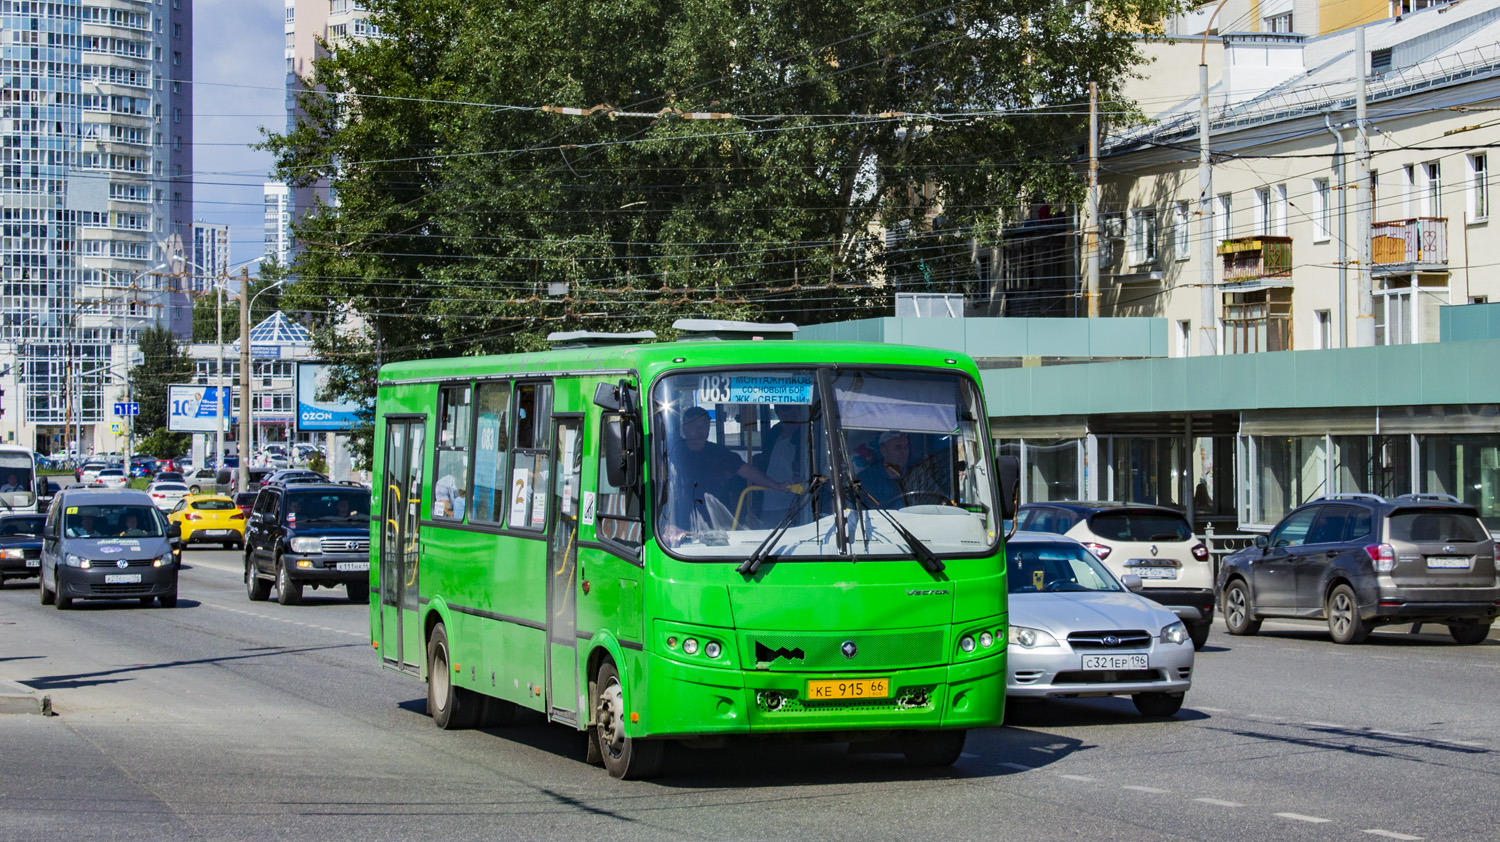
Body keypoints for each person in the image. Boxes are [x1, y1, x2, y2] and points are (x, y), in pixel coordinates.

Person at [666, 406, 787, 536]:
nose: (700, 429)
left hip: (717, 521)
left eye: (704, 424)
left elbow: (747, 471)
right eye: (694, 424)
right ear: (684, 427)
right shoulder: (672, 453)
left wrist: (776, 486)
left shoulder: (719, 453)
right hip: (680, 525)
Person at [755, 404, 815, 525]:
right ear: (778, 414)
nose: (788, 419)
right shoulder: (773, 435)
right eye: (784, 415)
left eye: (793, 415)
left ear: (801, 414)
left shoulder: (806, 435)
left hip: (796, 501)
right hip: (769, 500)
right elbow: (763, 463)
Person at [856, 431, 943, 508]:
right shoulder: (867, 479)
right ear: (884, 451)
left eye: (906, 447)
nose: (904, 452)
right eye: (898, 447)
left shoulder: (918, 474)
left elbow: (937, 501)